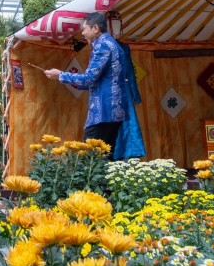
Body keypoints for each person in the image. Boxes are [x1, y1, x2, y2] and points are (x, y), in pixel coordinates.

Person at [44, 12, 144, 157]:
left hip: (103, 111)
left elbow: (89, 78)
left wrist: (61, 75)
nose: (82, 33)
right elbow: (97, 80)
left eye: (84, 29)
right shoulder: (114, 45)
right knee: (105, 158)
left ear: (95, 28)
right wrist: (63, 78)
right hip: (115, 112)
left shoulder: (102, 45)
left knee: (90, 159)